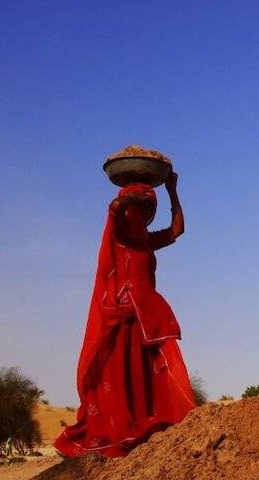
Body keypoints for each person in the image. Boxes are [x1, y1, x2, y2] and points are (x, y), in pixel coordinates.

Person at [55, 172, 196, 458]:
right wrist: (130, 198)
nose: (145, 213)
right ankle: (118, 433)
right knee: (120, 372)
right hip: (125, 313)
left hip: (147, 313)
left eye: (148, 208)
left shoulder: (144, 240)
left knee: (152, 369)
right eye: (143, 208)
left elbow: (177, 230)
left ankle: (155, 426)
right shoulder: (120, 235)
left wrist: (172, 190)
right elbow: (115, 210)